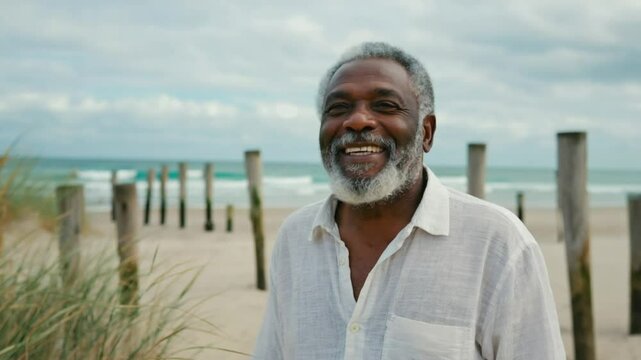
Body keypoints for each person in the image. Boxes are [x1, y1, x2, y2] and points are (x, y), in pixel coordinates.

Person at [253, 42, 565, 359]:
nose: (357, 121)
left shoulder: (497, 242)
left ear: (426, 133)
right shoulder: (296, 237)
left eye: (385, 105)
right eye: (338, 108)